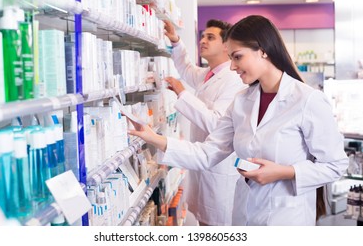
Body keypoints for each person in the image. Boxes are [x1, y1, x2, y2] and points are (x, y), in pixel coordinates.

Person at [128, 15, 348, 226]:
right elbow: (207, 153)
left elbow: (335, 165)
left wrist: (284, 172)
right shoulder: (242, 101)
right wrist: (153, 137)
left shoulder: (307, 100)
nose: (232, 66)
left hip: (287, 218)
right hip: (244, 215)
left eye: (237, 56)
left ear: (262, 51)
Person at [163, 19, 246, 226]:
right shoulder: (208, 74)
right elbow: (186, 68)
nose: (203, 41)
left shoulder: (233, 79)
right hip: (203, 167)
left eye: (211, 37)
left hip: (219, 168)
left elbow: (217, 124)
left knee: (217, 227)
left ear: (226, 46)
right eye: (202, 36)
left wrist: (182, 93)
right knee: (204, 223)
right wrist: (175, 41)